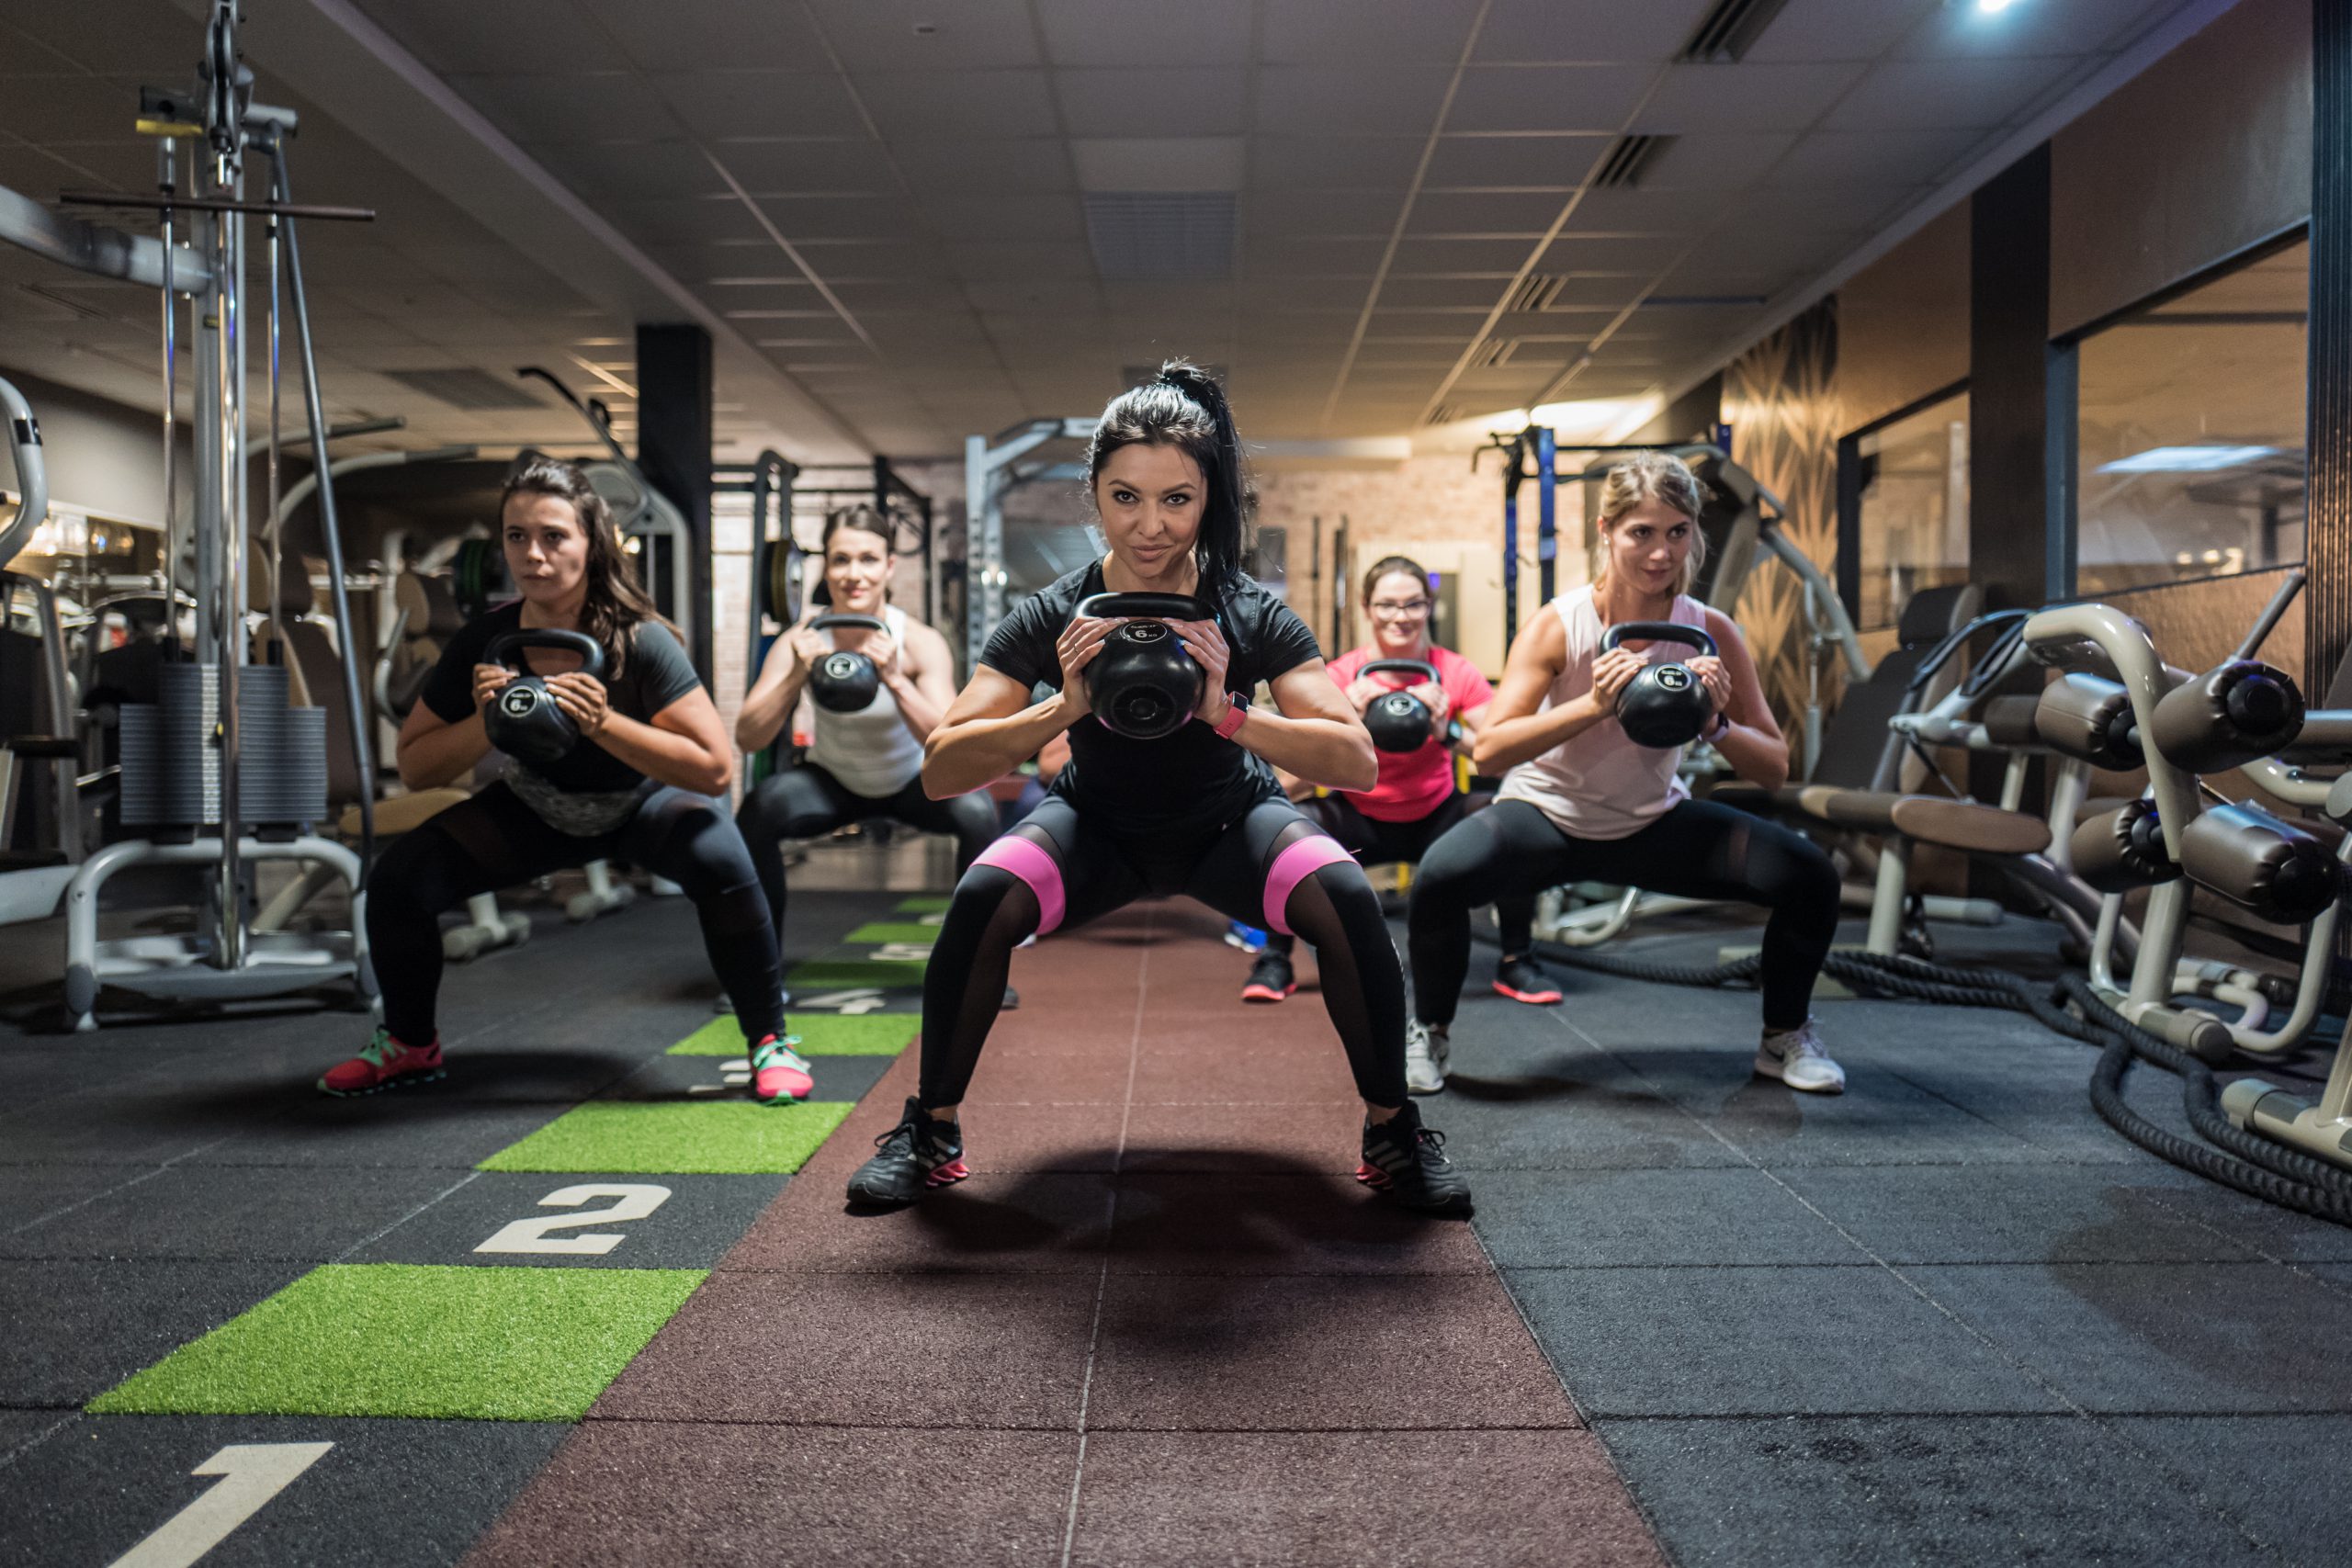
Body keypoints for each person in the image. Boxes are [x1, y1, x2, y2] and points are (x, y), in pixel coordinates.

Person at [844, 362, 1471, 1213]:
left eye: (1176, 499)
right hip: (1096, 825)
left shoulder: (1247, 611)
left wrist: (1229, 714)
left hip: (1231, 822)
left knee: (1345, 895)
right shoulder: (1052, 614)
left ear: (1207, 499)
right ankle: (931, 1128)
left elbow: (1354, 760)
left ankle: (1392, 1130)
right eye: (1126, 497)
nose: (1151, 525)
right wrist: (1059, 708)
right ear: (1094, 495)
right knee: (983, 893)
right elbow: (944, 766)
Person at [316, 457, 807, 1105]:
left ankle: (768, 1038)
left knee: (723, 856)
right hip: (536, 805)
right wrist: (483, 722)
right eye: (517, 536)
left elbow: (714, 766)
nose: (533, 554)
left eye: (554, 535)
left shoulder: (641, 640)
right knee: (400, 878)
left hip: (642, 802)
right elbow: (415, 765)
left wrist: (603, 722)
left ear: (590, 542)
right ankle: (410, 1044)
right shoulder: (484, 640)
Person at [1405, 451, 1845, 1096]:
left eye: (1677, 531)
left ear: (1695, 533)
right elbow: (1490, 750)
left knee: (1809, 876)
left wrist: (1715, 723)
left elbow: (1776, 766)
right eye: (1642, 531)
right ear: (1606, 530)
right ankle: (1430, 1033)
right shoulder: (1561, 625)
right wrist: (1590, 705)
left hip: (1651, 821)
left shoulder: (1709, 631)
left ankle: (1784, 1037)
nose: (1661, 552)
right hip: (1546, 816)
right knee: (1440, 876)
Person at [1239, 554, 1554, 1035]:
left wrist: (1447, 729)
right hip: (1360, 814)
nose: (1400, 616)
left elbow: (1498, 754)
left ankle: (1517, 959)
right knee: (1287, 824)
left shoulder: (1455, 672)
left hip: (1436, 815)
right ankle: (1274, 960)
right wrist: (1348, 725)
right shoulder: (1340, 677)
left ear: (1429, 607)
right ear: (1367, 607)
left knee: (1510, 820)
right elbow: (1290, 778)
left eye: (1412, 604)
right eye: (1387, 604)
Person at [734, 505, 1000, 966]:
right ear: (826, 566)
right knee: (760, 810)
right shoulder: (801, 639)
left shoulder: (917, 641)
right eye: (841, 560)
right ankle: (758, 972)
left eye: (868, 560)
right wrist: (797, 674)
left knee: (978, 812)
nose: (853, 574)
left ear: (889, 566)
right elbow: (748, 737)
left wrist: (895, 679)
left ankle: (973, 968)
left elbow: (951, 741)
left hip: (912, 782)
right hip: (834, 782)